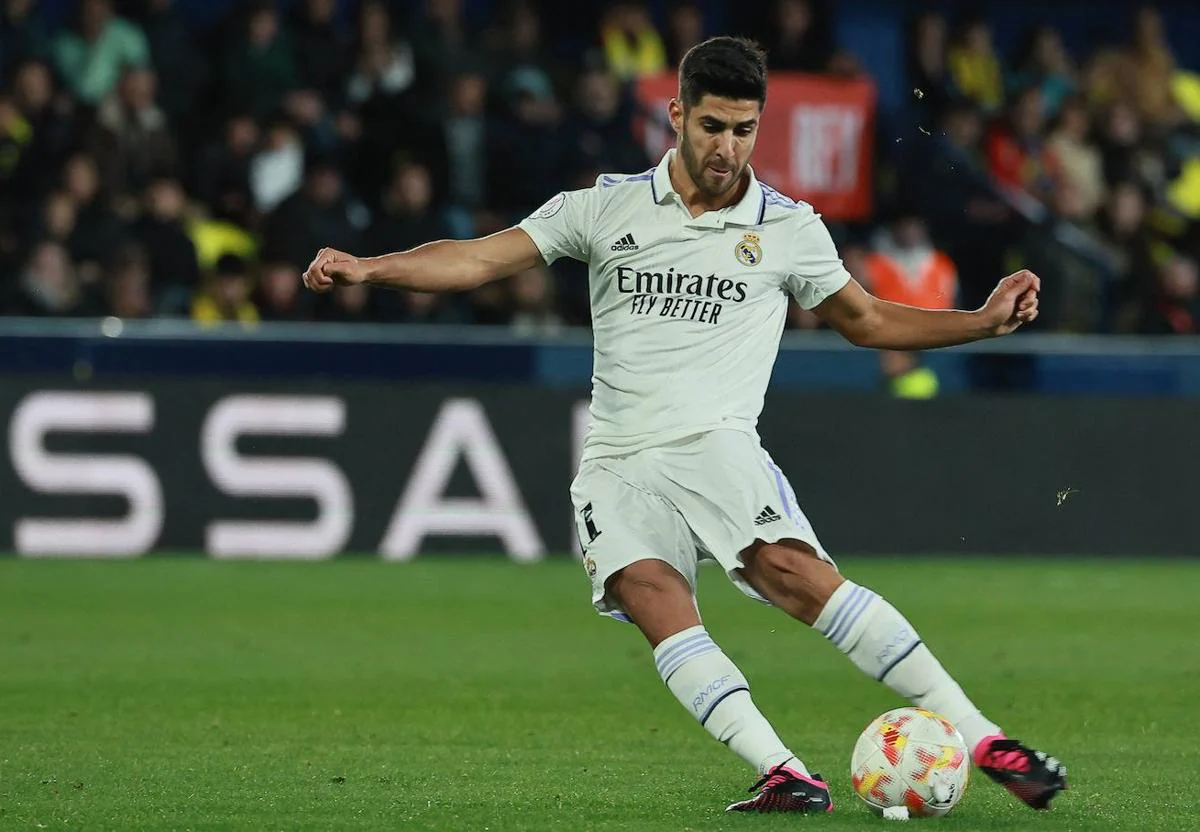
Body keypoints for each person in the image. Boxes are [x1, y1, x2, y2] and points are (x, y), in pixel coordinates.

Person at [302, 37, 1067, 815]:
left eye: (743, 130)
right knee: (652, 599)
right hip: (616, 460)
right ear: (676, 114)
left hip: (716, 444)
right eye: (711, 126)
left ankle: (981, 736)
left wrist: (976, 322)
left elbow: (864, 321)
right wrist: (373, 267)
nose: (726, 148)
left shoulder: (789, 228)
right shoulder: (605, 206)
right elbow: (475, 260)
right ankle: (785, 772)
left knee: (791, 576)